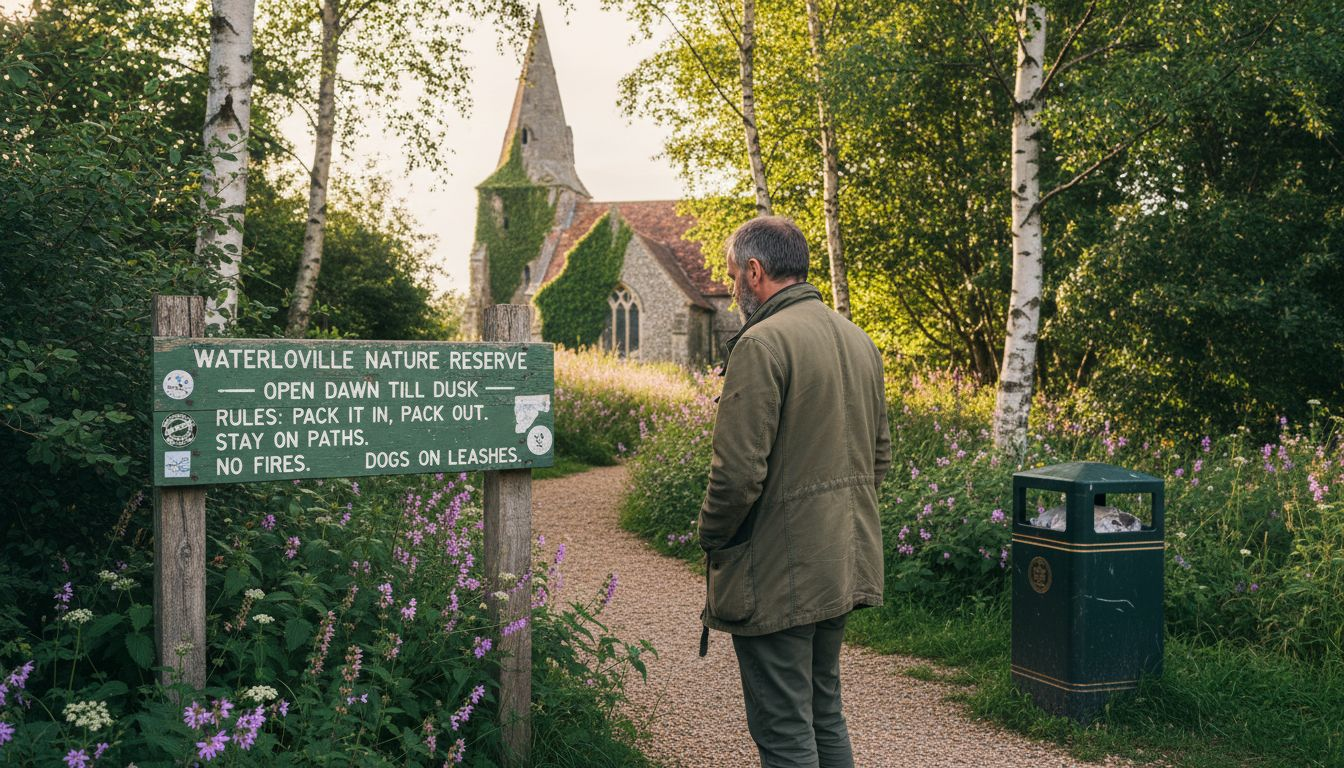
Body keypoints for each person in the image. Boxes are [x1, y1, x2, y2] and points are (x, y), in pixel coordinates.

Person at [699, 216, 891, 768]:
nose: (733, 287)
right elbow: (879, 458)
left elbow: (737, 475)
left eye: (735, 275)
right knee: (823, 709)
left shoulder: (761, 344)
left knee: (784, 729)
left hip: (778, 573)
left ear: (755, 273)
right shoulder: (858, 340)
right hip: (840, 560)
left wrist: (711, 536)